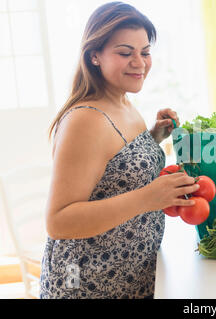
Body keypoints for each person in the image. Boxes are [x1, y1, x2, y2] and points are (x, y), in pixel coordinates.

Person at [40, 1, 198, 299]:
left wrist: (153, 137)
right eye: (125, 53)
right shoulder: (84, 119)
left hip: (131, 275)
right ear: (94, 55)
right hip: (87, 283)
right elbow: (58, 221)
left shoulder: (123, 101)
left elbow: (113, 170)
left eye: (145, 52)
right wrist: (148, 198)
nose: (139, 62)